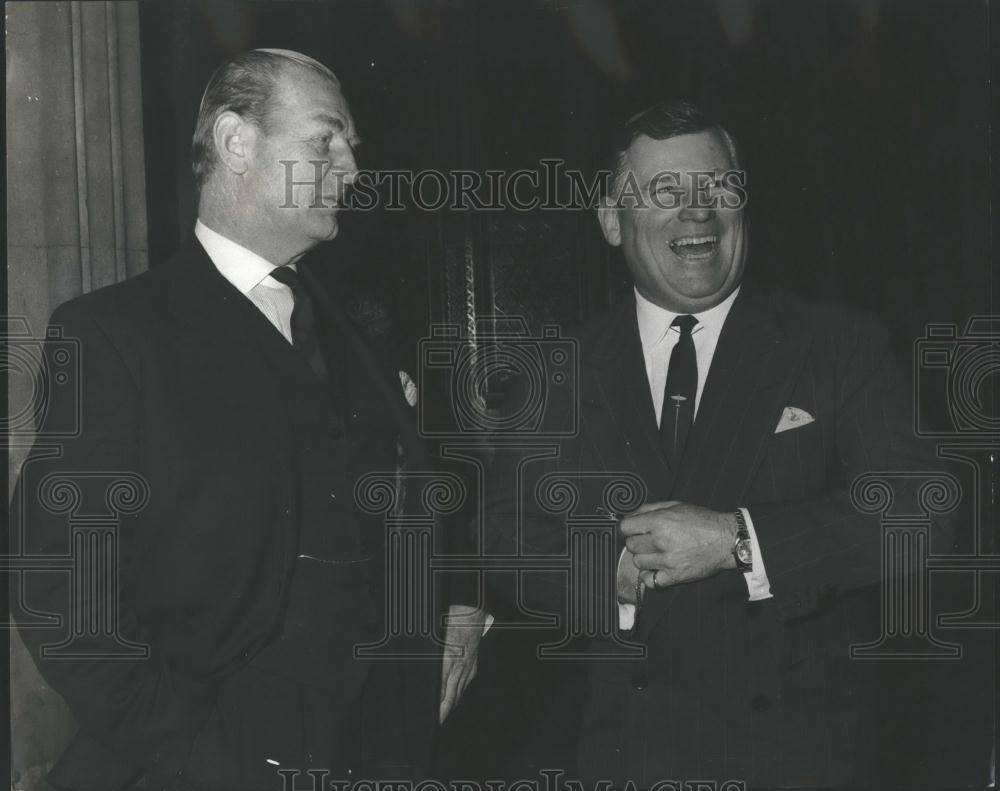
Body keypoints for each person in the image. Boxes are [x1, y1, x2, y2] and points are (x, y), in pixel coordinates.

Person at [12, 49, 478, 791]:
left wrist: (457, 611)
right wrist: (193, 750)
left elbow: (426, 495)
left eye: (351, 146)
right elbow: (58, 586)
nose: (352, 168)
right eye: (326, 140)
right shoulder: (113, 335)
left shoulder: (362, 326)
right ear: (236, 142)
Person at [480, 100, 949, 787]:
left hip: (795, 762)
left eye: (718, 188)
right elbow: (498, 536)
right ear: (612, 220)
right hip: (625, 759)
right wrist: (603, 571)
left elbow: (925, 515)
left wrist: (740, 539)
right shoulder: (558, 368)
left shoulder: (838, 343)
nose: (698, 212)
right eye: (666, 192)